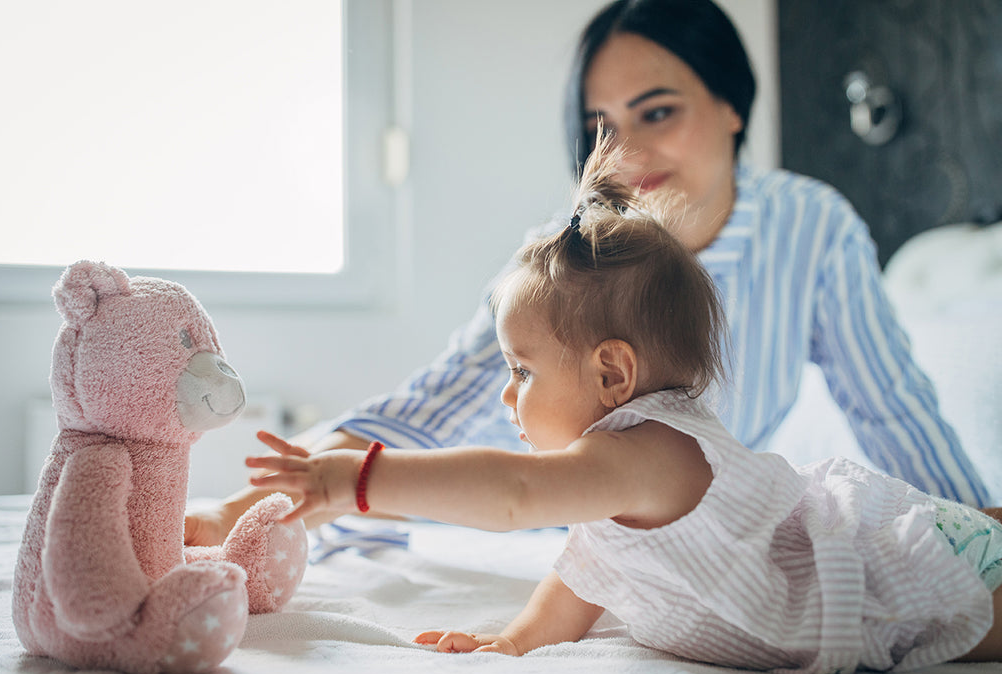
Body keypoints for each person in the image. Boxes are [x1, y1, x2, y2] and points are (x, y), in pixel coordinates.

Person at [184, 0, 991, 547]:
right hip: (532, 521)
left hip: (693, 535)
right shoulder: (563, 258)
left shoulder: (812, 227)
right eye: (602, 125)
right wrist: (251, 506)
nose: (629, 153)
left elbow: (896, 413)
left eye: (659, 111)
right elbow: (426, 408)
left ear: (733, 105)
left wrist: (982, 537)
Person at [245, 137, 1002, 674]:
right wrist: (515, 642)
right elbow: (584, 571)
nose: (507, 394)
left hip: (891, 571)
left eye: (522, 370)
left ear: (613, 371)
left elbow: (513, 493)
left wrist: (357, 480)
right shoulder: (616, 477)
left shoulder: (648, 451)